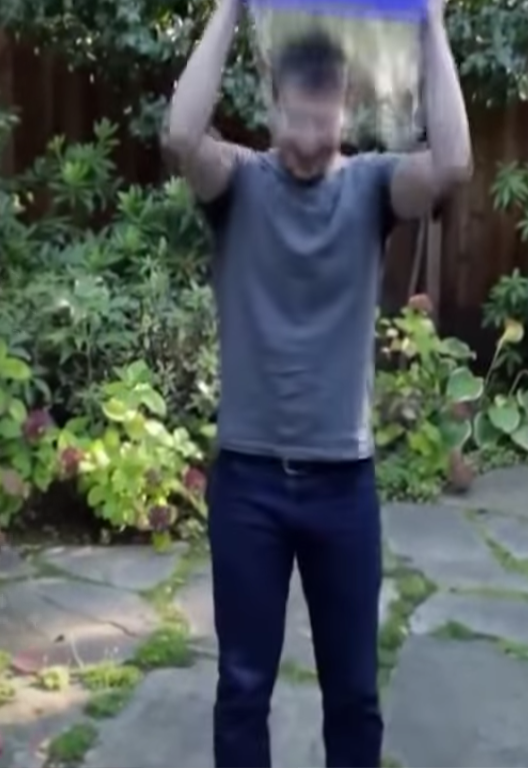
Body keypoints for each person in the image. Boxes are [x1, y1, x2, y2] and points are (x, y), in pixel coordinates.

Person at [162, 1, 471, 767]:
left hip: (343, 487)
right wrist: (232, 6)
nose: (304, 142)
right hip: (250, 485)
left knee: (354, 696)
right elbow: (178, 137)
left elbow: (455, 164)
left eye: (320, 121)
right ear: (271, 104)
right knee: (241, 690)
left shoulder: (371, 189)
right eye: (292, 121)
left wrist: (431, 22)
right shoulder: (237, 182)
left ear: (347, 108)